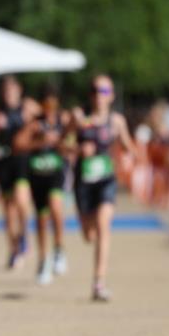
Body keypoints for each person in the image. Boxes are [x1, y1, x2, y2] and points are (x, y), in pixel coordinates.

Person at [66, 74, 136, 301]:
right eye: (96, 90)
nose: (99, 96)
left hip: (106, 179)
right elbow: (60, 145)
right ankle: (92, 240)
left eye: (105, 91)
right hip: (83, 183)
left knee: (104, 225)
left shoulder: (116, 122)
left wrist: (129, 158)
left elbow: (130, 148)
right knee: (89, 234)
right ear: (90, 94)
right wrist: (77, 150)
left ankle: (99, 283)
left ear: (112, 96)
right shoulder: (78, 118)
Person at [13, 84, 70, 285]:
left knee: (56, 207)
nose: (49, 108)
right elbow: (18, 144)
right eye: (45, 104)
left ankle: (59, 250)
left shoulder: (64, 120)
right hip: (37, 174)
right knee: (41, 219)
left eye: (52, 104)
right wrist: (39, 141)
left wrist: (60, 143)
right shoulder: (35, 124)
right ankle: (43, 260)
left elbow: (71, 145)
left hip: (56, 171)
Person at [0, 76, 40, 269]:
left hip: (22, 161)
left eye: (11, 90)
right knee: (8, 210)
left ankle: (24, 236)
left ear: (19, 90)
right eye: (5, 91)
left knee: (22, 202)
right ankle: (14, 249)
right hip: (3, 162)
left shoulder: (28, 106)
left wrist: (31, 124)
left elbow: (46, 121)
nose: (8, 94)